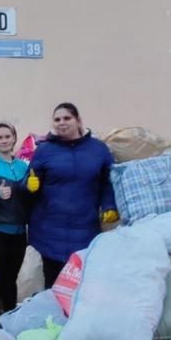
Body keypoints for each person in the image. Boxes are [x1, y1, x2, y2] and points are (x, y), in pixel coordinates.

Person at [27, 102, 118, 288]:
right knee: (53, 285)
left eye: (67, 118)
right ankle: (52, 317)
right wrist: (28, 186)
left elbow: (108, 182)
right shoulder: (44, 150)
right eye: (57, 119)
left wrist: (109, 205)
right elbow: (27, 182)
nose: (62, 123)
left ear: (78, 121)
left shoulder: (99, 149)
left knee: (80, 284)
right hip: (49, 230)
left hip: (85, 229)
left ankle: (76, 317)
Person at [0, 121, 30, 324]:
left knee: (11, 278)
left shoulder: (22, 166)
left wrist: (32, 189)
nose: (4, 140)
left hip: (19, 232)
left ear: (14, 138)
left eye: (7, 136)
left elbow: (28, 198)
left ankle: (9, 318)